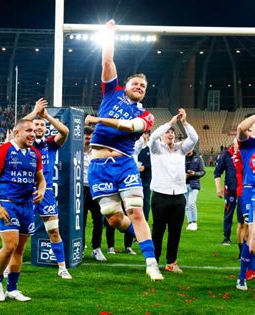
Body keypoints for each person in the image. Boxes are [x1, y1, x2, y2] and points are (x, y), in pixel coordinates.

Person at [84, 19, 163, 281]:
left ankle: (151, 261)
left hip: (124, 163)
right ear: (126, 85)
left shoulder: (147, 116)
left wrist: (98, 120)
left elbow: (129, 126)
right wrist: (109, 35)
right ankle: (140, 235)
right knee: (115, 221)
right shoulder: (111, 92)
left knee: (136, 211)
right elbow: (107, 61)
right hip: (98, 167)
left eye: (143, 86)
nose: (139, 87)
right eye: (136, 84)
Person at [0, 119, 46, 301]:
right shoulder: (2, 151)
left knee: (19, 250)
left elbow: (41, 179)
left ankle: (12, 289)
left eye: (34, 132)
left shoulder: (34, 153)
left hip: (27, 205)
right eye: (28, 130)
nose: (33, 134)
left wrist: (42, 190)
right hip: (7, 203)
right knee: (10, 245)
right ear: (16, 132)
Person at [22, 98, 72, 279]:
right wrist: (35, 113)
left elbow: (65, 131)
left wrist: (47, 116)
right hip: (24, 192)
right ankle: (7, 268)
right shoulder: (23, 143)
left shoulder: (50, 144)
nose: (38, 127)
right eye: (35, 125)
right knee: (19, 233)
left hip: (47, 193)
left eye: (41, 125)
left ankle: (62, 267)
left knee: (54, 230)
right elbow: (17, 127)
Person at [148, 109, 198, 273]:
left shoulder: (181, 149)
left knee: (175, 231)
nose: (170, 134)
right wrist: (169, 123)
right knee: (158, 230)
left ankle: (171, 262)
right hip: (160, 196)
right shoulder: (156, 149)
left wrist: (184, 123)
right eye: (168, 132)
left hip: (178, 196)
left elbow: (194, 138)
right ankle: (154, 262)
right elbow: (153, 136)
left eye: (172, 132)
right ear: (164, 135)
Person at [235, 114, 255, 290]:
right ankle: (242, 277)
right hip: (252, 192)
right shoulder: (249, 144)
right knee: (253, 234)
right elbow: (241, 128)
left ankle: (252, 268)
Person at [214, 140, 244, 247]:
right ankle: (226, 237)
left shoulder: (245, 154)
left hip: (244, 191)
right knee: (228, 214)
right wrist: (218, 189)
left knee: (245, 216)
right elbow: (217, 172)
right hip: (230, 191)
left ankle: (245, 239)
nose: (240, 146)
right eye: (238, 143)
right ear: (233, 145)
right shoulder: (226, 155)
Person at [83, 126, 106, 261]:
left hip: (96, 189)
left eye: (90, 138)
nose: (88, 140)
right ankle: (79, 247)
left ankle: (96, 248)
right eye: (86, 137)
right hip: (80, 189)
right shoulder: (75, 152)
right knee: (80, 221)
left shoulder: (98, 152)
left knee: (99, 221)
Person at [184, 150, 206, 231]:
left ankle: (194, 222)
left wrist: (194, 174)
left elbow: (203, 171)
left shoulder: (198, 158)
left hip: (194, 184)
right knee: (186, 204)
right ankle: (190, 222)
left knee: (191, 202)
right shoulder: (182, 157)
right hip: (184, 184)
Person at [137, 130, 152, 221]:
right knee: (135, 200)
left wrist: (145, 166)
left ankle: (145, 219)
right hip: (136, 178)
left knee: (146, 200)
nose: (144, 136)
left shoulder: (151, 148)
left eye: (146, 134)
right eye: (143, 133)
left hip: (147, 178)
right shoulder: (136, 147)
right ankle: (136, 218)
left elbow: (155, 162)